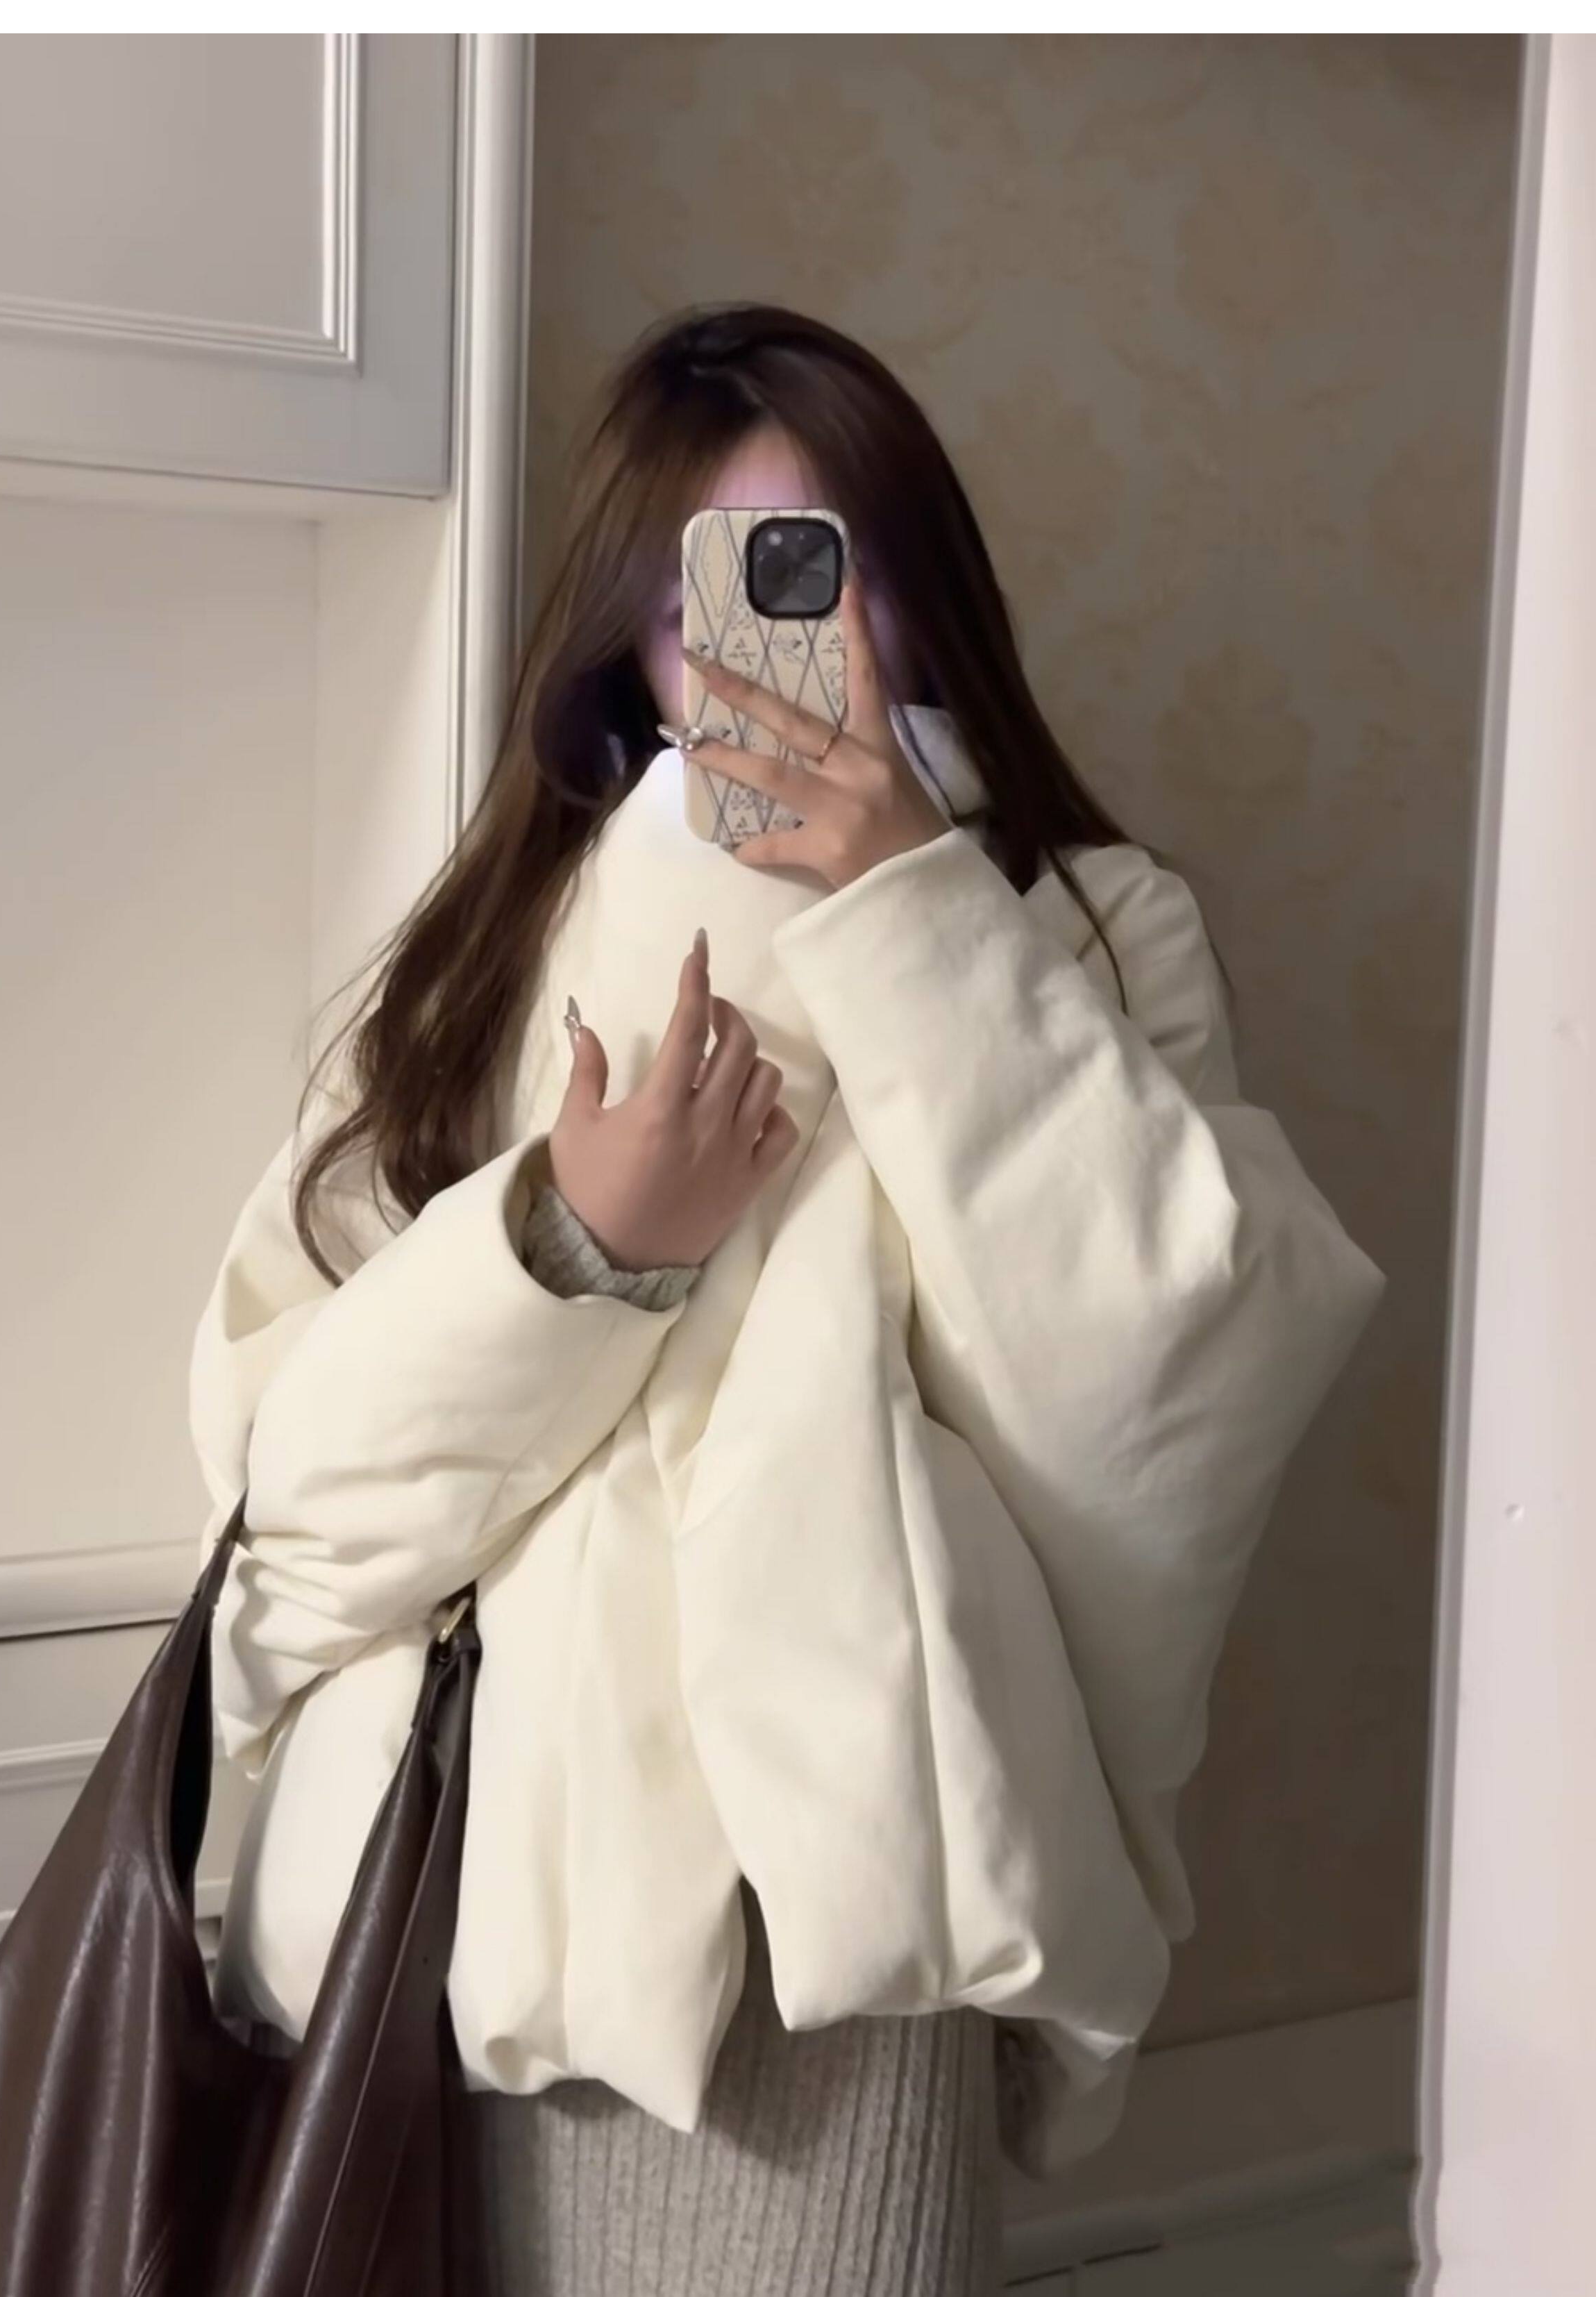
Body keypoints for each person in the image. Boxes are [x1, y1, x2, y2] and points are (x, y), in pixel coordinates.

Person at [189, 303, 1386, 2296]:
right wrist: (578, 1245)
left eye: (831, 573)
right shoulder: (485, 951)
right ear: (628, 642)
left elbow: (1168, 1415)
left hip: (838, 1979)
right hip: (426, 1942)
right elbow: (285, 1505)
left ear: (929, 601)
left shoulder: (1092, 931)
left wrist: (915, 918)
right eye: (714, 596)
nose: (775, 646)